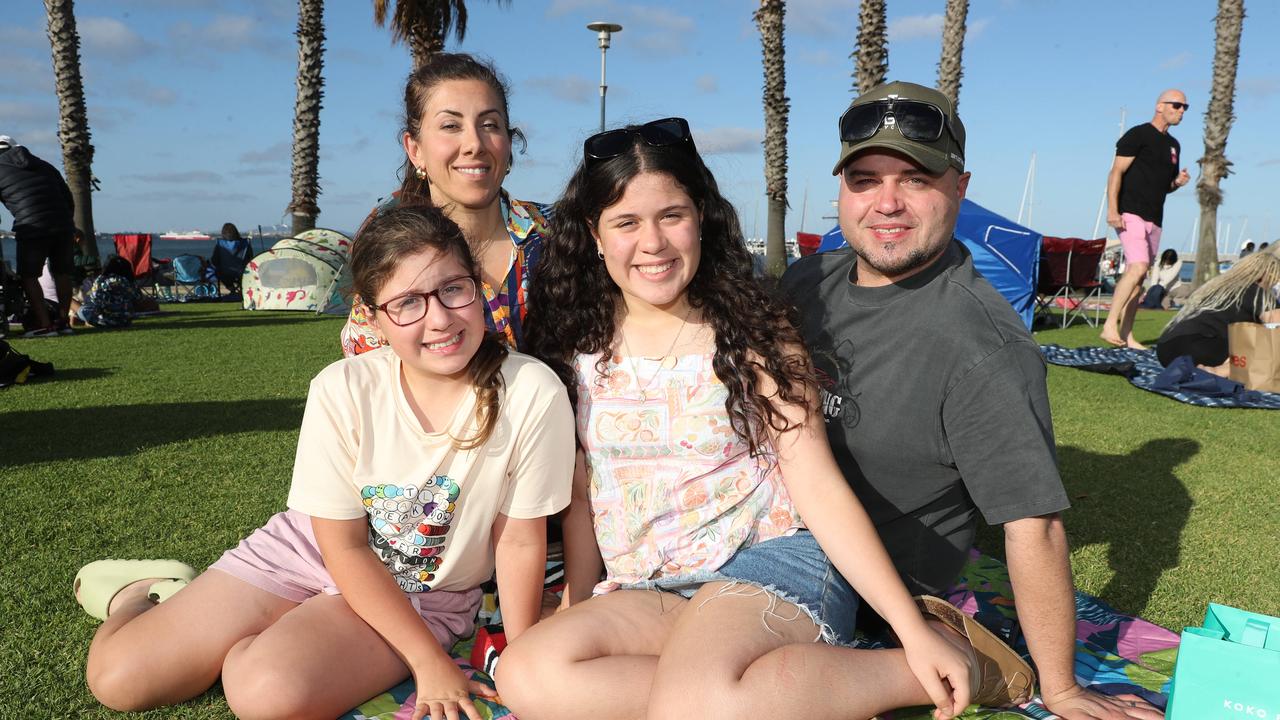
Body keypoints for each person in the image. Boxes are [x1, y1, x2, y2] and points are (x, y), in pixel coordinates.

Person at [496, 117, 1035, 720]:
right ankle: (740, 691)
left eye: (671, 215)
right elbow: (583, 495)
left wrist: (908, 625)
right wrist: (576, 595)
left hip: (769, 561)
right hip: (651, 582)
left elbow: (816, 483)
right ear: (595, 236)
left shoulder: (753, 331)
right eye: (626, 222)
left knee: (694, 703)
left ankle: (933, 664)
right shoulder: (578, 346)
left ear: (701, 218)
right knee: (528, 675)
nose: (652, 243)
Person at [73, 205, 574, 719]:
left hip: (425, 591)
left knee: (266, 695)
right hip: (310, 551)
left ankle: (288, 635)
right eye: (406, 302)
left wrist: (523, 656)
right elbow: (344, 548)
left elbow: (517, 539)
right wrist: (427, 662)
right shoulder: (343, 388)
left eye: (453, 289)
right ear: (374, 317)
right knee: (119, 679)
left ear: (477, 287)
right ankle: (144, 593)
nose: (440, 318)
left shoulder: (529, 390)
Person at [781, 81, 1164, 719]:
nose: (887, 203)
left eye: (916, 178)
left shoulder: (982, 347)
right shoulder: (808, 280)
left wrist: (1060, 686)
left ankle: (976, 668)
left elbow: (1033, 525)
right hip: (758, 535)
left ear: (959, 187)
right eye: (865, 179)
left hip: (861, 592)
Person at [341, 53, 549, 358]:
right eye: (451, 126)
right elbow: (369, 382)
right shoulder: (390, 256)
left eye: (489, 124)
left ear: (508, 139)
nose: (474, 144)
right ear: (415, 149)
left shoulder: (560, 235)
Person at [1100, 90, 1192, 349]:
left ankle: (1128, 335)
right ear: (1160, 106)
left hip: (1155, 218)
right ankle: (1109, 325)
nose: (1181, 110)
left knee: (1139, 279)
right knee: (1138, 267)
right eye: (1177, 105)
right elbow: (1116, 172)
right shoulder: (1138, 134)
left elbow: (1165, 186)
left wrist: (1178, 183)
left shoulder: (1174, 146)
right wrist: (1112, 210)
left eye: (1185, 107)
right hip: (1130, 212)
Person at [1156, 249, 1280, 375]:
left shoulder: (1215, 287)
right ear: (1268, 275)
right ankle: (1220, 371)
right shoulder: (1259, 293)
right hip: (1200, 349)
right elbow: (1276, 326)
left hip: (1166, 349)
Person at [0, 135, 77, 337]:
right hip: (64, 224)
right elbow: (67, 197)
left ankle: (45, 325)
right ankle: (63, 323)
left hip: (32, 226)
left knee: (29, 276)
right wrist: (67, 222)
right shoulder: (44, 165)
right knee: (62, 273)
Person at [74, 255, 143, 328]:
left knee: (82, 309)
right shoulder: (128, 281)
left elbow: (95, 300)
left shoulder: (101, 280)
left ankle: (77, 317)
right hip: (125, 321)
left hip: (105, 320)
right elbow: (138, 298)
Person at [211, 222, 252, 295]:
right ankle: (240, 290)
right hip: (242, 273)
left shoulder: (220, 244)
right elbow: (250, 258)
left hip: (225, 273)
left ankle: (232, 289)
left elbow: (214, 261)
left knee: (218, 272)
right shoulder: (245, 243)